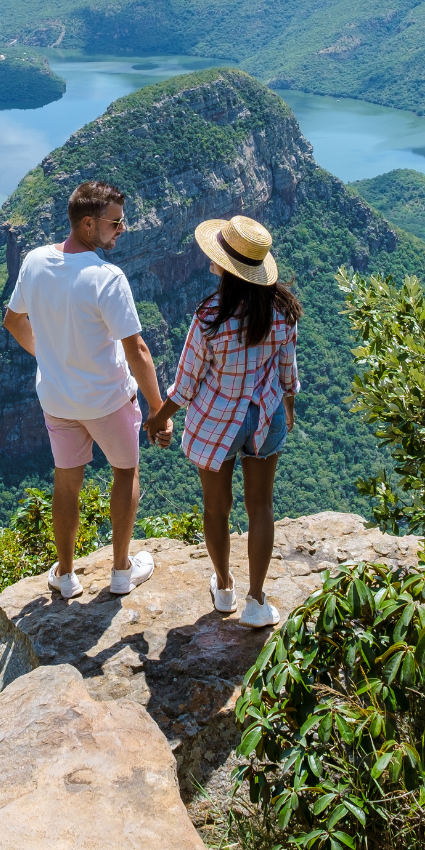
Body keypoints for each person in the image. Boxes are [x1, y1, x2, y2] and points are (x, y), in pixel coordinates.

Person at [3, 180, 164, 599]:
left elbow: (13, 320)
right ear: (89, 224)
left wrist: (49, 355)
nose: (122, 229)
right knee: (125, 472)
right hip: (108, 400)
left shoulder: (36, 261)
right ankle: (121, 571)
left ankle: (67, 574)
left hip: (57, 399)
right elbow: (138, 350)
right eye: (116, 223)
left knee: (66, 482)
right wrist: (158, 409)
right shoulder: (107, 277)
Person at [142, 215, 299, 628]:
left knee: (217, 508)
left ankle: (225, 588)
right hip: (265, 418)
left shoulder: (210, 316)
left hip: (217, 422)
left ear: (224, 266)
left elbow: (186, 385)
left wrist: (158, 419)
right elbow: (287, 376)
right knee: (260, 507)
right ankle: (257, 600)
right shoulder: (283, 311)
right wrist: (288, 411)